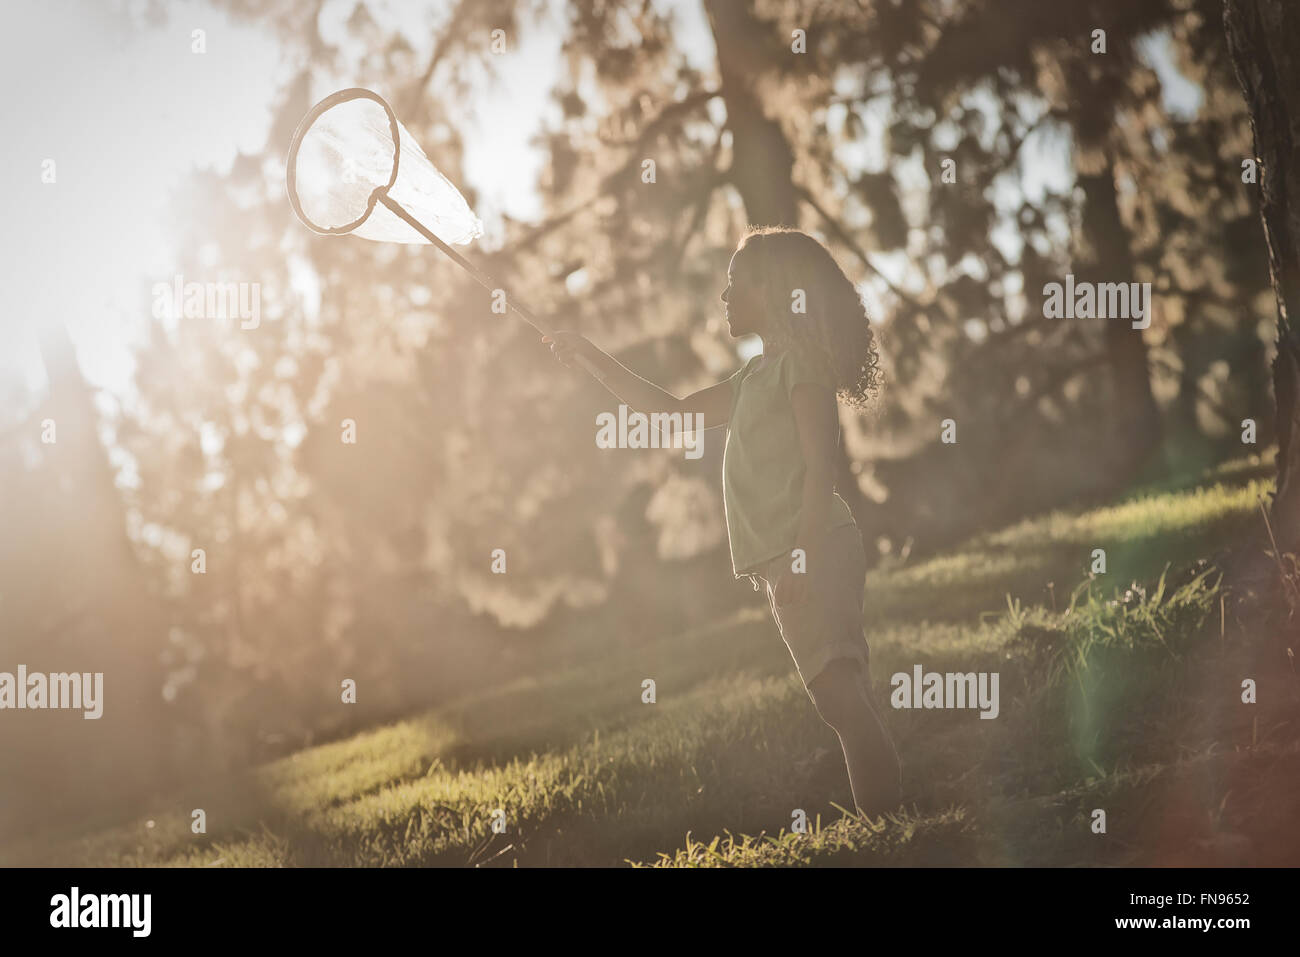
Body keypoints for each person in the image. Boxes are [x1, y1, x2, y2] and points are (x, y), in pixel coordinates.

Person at [543, 226, 902, 817]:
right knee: (842, 697)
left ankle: (892, 832)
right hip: (799, 557)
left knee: (841, 698)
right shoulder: (751, 380)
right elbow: (671, 414)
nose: (724, 295)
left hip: (816, 550)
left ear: (774, 289)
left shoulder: (801, 366)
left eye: (737, 282)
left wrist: (801, 555)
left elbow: (821, 468)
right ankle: (894, 830)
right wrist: (589, 355)